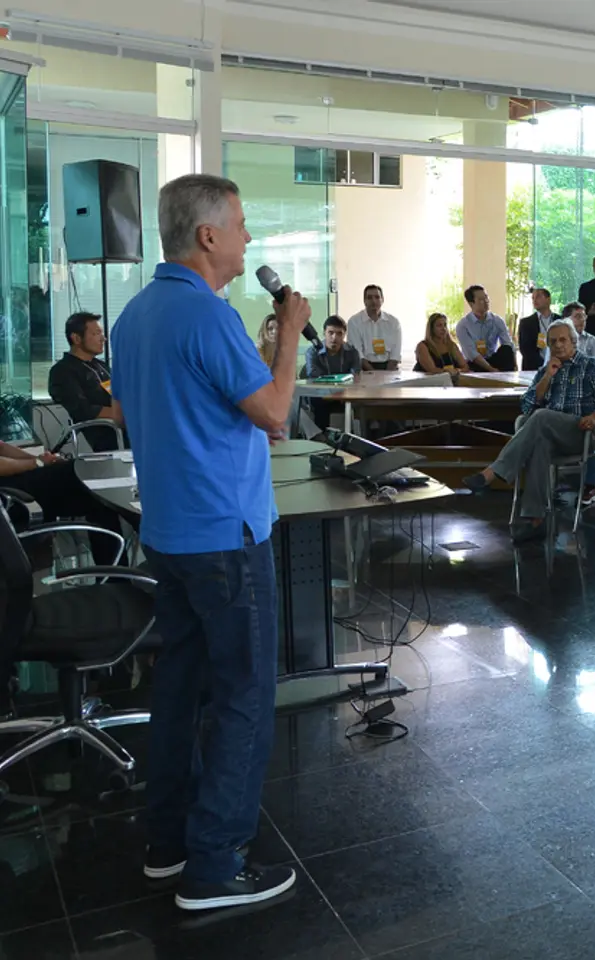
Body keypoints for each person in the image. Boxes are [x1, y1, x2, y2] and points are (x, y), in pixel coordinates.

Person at [112, 173, 308, 910]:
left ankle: (168, 843)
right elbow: (276, 413)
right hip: (226, 536)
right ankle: (216, 863)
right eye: (242, 224)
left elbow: (149, 413)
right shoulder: (208, 315)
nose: (248, 237)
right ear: (207, 235)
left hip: (168, 532)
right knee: (243, 695)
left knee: (179, 685)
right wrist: (288, 337)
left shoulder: (135, 315)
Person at [463, 320, 595, 543]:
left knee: (542, 416)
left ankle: (493, 472)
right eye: (553, 342)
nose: (558, 345)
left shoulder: (592, 366)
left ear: (573, 341)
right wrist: (547, 378)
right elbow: (526, 405)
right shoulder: (546, 370)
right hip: (550, 433)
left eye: (563, 340)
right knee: (538, 441)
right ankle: (536, 521)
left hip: (582, 433)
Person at [47, 311, 124, 452]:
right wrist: (126, 413)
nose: (103, 339)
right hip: (109, 434)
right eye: (96, 333)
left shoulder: (101, 366)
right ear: (76, 338)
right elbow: (83, 409)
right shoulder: (63, 371)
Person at [303, 315, 362, 427]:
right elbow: (314, 375)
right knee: (319, 401)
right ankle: (322, 435)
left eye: (339, 333)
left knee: (360, 402)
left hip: (345, 394)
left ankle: (355, 435)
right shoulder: (312, 352)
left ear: (344, 335)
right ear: (324, 333)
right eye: (331, 333)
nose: (334, 337)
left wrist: (341, 391)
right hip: (321, 394)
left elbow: (355, 375)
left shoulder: (352, 352)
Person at [456, 284, 516, 372]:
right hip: (475, 363)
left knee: (506, 349)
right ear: (471, 303)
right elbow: (471, 354)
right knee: (473, 364)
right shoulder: (463, 325)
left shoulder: (497, 320)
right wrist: (492, 370)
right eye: (481, 300)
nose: (486, 301)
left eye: (486, 298)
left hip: (492, 359)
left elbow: (508, 343)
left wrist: (515, 365)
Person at [347, 284, 401, 371]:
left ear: (382, 300)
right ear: (364, 301)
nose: (374, 301)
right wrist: (374, 374)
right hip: (364, 367)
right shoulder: (354, 322)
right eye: (369, 298)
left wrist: (386, 374)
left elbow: (395, 354)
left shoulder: (393, 322)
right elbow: (358, 354)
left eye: (377, 297)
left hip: (389, 368)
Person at [517, 287, 559, 372]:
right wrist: (544, 365)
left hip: (557, 366)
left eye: (538, 297)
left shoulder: (560, 320)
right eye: (533, 298)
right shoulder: (526, 323)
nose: (534, 300)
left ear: (548, 300)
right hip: (533, 368)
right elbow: (525, 349)